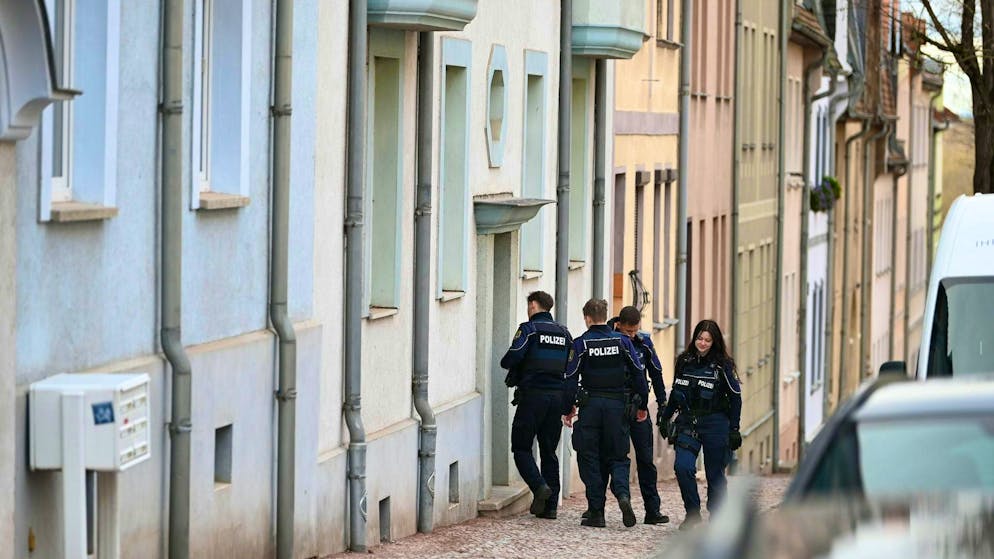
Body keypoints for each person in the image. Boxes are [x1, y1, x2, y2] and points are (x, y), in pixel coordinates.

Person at [563, 299, 649, 528]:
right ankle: (622, 495)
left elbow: (570, 377)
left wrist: (568, 407)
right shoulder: (622, 341)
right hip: (616, 406)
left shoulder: (581, 344)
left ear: (587, 318)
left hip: (591, 407)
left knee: (589, 455)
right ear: (606, 315)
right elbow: (639, 374)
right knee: (618, 456)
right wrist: (642, 405)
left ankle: (596, 512)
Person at [658, 319, 742, 530]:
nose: (702, 343)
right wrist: (665, 418)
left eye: (707, 340)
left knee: (715, 475)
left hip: (715, 423)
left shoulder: (723, 365)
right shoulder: (684, 361)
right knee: (683, 467)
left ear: (714, 342)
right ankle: (692, 512)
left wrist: (734, 429)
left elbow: (735, 398)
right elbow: (677, 392)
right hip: (688, 422)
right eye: (699, 339)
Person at [500, 291, 573, 519]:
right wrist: (569, 402)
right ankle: (550, 507)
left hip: (533, 397)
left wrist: (509, 364)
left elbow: (513, 356)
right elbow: (571, 369)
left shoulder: (529, 329)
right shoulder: (564, 333)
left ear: (533, 305)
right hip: (557, 398)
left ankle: (539, 486)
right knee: (549, 451)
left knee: (521, 448)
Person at [606, 306, 670, 525]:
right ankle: (597, 507)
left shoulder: (644, 343)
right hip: (615, 407)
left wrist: (662, 403)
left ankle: (652, 510)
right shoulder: (608, 339)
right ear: (619, 325)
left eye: (635, 331)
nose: (632, 336)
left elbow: (656, 373)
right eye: (628, 332)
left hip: (639, 408)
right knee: (613, 457)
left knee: (645, 460)